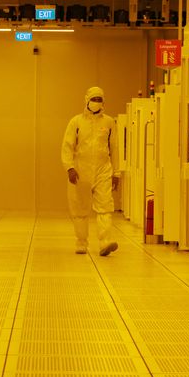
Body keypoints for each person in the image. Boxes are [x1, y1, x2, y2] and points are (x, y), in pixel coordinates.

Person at [61, 86, 120, 256]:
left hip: (103, 170)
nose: (96, 103)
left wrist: (116, 173)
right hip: (81, 170)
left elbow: (114, 149)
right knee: (79, 208)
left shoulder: (109, 122)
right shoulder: (76, 122)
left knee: (105, 206)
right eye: (93, 99)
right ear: (86, 100)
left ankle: (105, 242)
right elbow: (67, 146)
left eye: (99, 99)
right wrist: (70, 168)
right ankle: (81, 242)